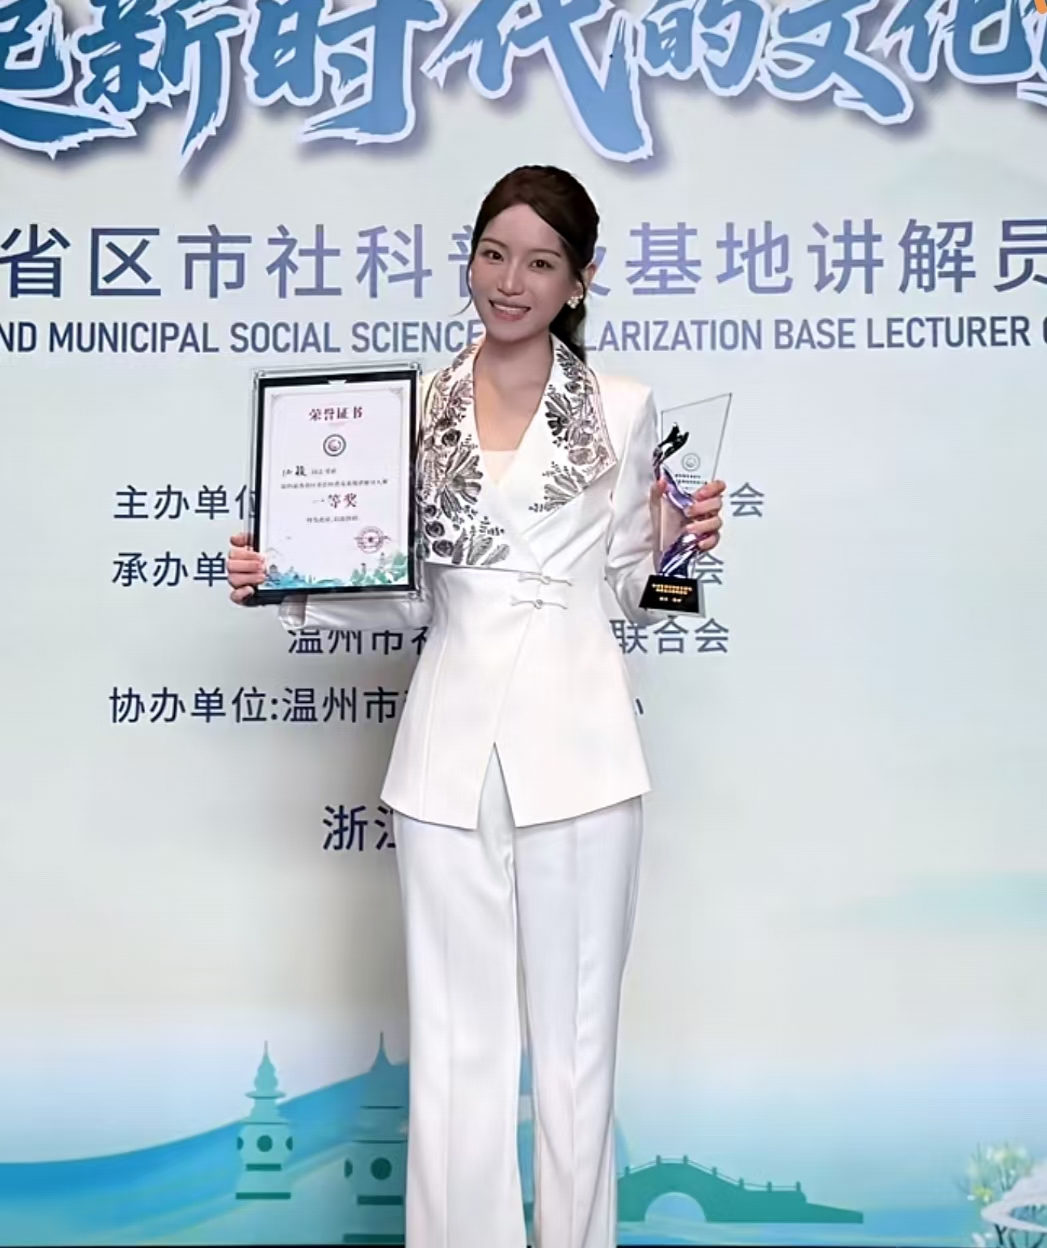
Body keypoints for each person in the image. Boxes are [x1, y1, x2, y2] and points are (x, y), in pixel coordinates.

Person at [227, 165, 725, 1248]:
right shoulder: (410, 409)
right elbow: (404, 587)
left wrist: (679, 543)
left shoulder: (624, 408)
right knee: (456, 1043)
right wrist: (285, 579)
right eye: (493, 254)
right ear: (469, 259)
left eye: (540, 262)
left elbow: (632, 589)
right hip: (447, 742)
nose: (510, 281)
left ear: (579, 280)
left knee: (578, 1044)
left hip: (583, 745)